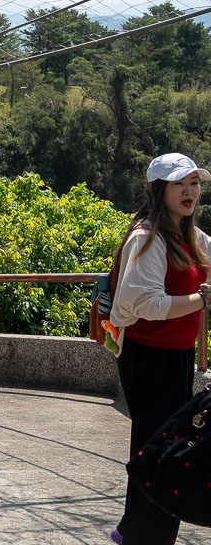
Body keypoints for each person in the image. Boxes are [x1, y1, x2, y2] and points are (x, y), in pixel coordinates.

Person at [108, 153, 211, 545]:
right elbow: (146, 305)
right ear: (158, 190)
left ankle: (131, 529)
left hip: (179, 354)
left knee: (157, 445)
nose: (190, 191)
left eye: (195, 183)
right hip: (149, 357)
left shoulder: (193, 237)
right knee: (162, 449)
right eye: (179, 184)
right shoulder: (147, 237)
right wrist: (202, 300)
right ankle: (145, 537)